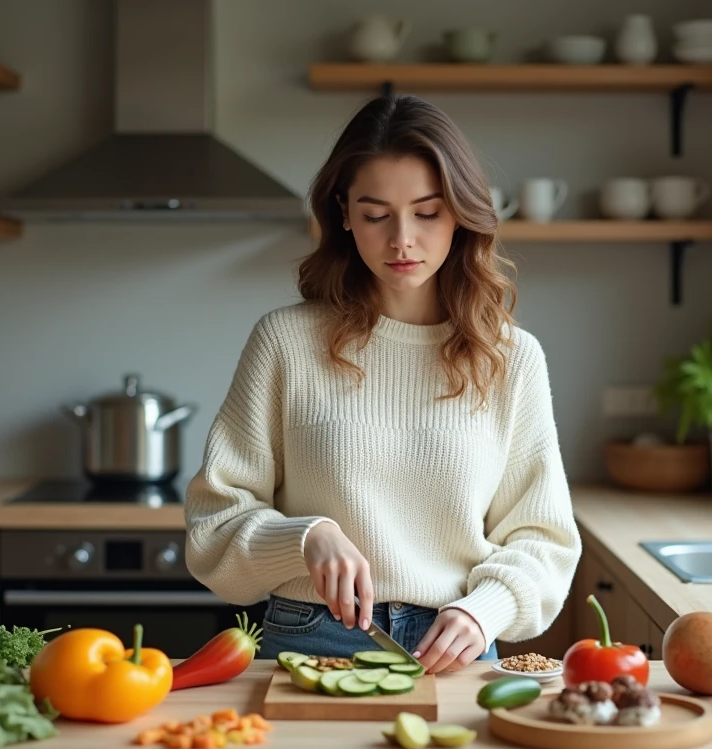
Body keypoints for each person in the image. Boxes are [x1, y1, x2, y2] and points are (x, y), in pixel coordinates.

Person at [184, 93, 580, 675]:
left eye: (427, 212)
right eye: (376, 214)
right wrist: (306, 536)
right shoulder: (285, 343)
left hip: (458, 644)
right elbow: (213, 527)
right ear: (343, 213)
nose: (401, 240)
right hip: (312, 640)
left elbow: (544, 540)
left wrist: (485, 610)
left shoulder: (511, 358)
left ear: (461, 213)